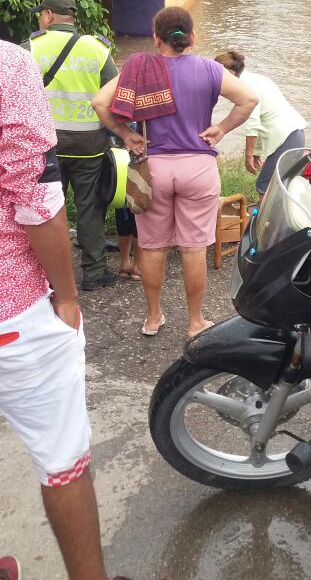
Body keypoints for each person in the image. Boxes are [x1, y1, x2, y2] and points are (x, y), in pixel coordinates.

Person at [0, 40, 109, 580]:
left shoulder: (32, 49)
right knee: (63, 460)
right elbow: (38, 202)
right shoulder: (9, 64)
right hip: (13, 308)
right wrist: (66, 295)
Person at [92, 8, 258, 338]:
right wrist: (222, 128)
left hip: (152, 168)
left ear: (156, 39)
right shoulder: (210, 69)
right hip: (198, 167)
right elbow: (249, 99)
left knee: (153, 247)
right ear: (191, 37)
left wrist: (125, 134)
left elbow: (99, 102)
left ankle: (153, 318)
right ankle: (195, 322)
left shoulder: (139, 68)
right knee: (193, 248)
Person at [24, 0, 119, 292]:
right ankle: (94, 273)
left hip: (46, 146)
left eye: (41, 14)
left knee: (49, 210)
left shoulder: (31, 48)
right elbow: (116, 95)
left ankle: (49, 278)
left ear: (49, 15)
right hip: (89, 145)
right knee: (89, 207)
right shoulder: (98, 49)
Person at [215, 49, 307, 200]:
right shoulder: (255, 78)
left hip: (285, 138)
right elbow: (262, 120)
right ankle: (278, 213)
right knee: (280, 185)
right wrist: (256, 153)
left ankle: (265, 215)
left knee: (264, 185)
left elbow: (253, 124)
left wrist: (248, 156)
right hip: (295, 133)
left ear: (228, 74)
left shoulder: (245, 87)